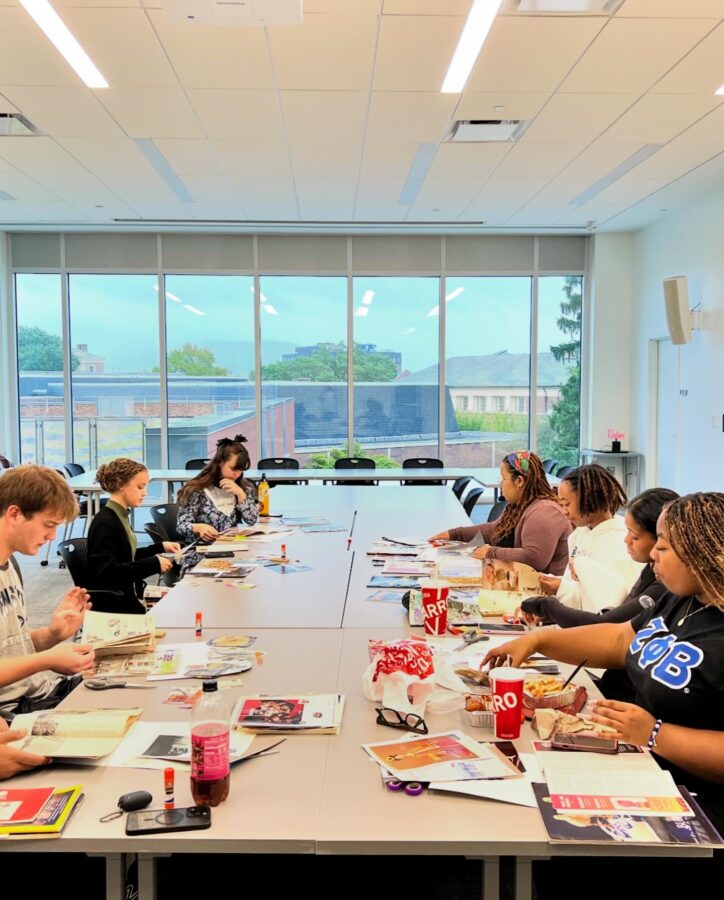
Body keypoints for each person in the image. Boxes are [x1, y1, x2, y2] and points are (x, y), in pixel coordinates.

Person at [481, 492, 724, 834]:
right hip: (640, 765)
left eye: (664, 546)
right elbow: (621, 639)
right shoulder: (681, 597)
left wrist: (657, 734)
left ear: (702, 555)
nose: (653, 553)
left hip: (695, 805)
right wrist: (537, 641)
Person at [0, 465, 95, 750]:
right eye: (48, 525)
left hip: (40, 694)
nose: (52, 536)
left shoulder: (10, 564)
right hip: (16, 711)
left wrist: (52, 634)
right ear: (14, 514)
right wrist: (48, 659)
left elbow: (11, 646)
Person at [521, 487, 679, 628]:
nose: (626, 540)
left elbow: (608, 625)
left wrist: (548, 606)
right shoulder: (650, 570)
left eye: (635, 537)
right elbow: (615, 613)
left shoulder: (665, 585)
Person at [429, 451, 571, 575]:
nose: (500, 484)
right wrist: (453, 534)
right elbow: (493, 530)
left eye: (503, 479)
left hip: (546, 596)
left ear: (519, 481)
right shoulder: (521, 506)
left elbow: (534, 558)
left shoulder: (544, 512)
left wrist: (490, 552)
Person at [538, 463, 643, 613]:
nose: (564, 512)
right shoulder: (578, 535)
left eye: (567, 504)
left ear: (590, 499)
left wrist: (560, 588)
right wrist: (557, 587)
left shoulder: (622, 541)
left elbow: (611, 602)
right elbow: (575, 583)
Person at [86, 458, 180, 614]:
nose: (145, 493)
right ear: (121, 485)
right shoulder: (105, 522)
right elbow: (107, 572)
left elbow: (125, 556)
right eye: (140, 487)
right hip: (116, 605)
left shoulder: (119, 515)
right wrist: (153, 564)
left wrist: (160, 547)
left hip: (125, 596)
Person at [176, 435, 258, 554]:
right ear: (220, 462)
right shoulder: (197, 490)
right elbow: (181, 526)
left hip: (231, 550)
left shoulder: (242, 487)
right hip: (201, 554)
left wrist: (241, 495)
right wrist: (198, 527)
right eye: (233, 469)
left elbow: (252, 520)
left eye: (241, 470)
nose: (237, 474)